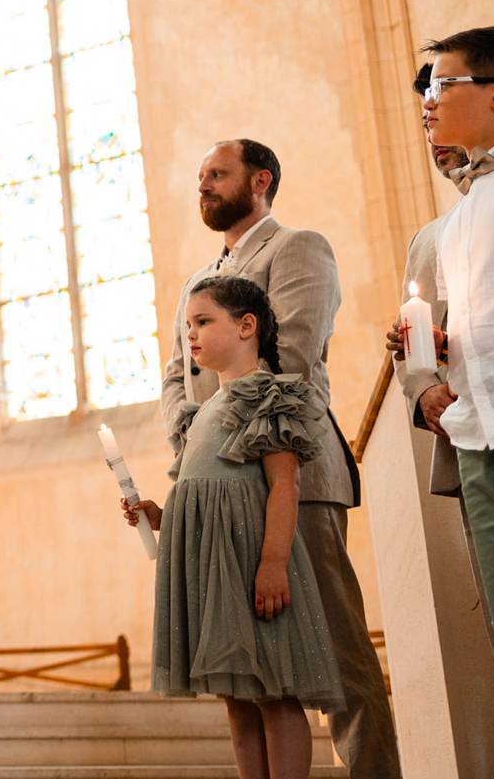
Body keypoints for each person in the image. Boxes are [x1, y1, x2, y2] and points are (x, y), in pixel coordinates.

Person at [160, 139, 397, 776]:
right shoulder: (197, 283)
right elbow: (175, 378)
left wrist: (230, 437)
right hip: (218, 493)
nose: (203, 185)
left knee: (338, 654)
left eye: (217, 173)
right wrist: (196, 451)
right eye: (200, 175)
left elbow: (289, 357)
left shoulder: (298, 248)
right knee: (247, 670)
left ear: (260, 180)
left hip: (293, 476)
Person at [127, 276, 343, 779]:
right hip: (212, 571)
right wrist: (160, 515)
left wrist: (272, 562)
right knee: (237, 698)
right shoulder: (199, 415)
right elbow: (199, 494)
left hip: (250, 564)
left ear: (247, 326)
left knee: (275, 692)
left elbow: (284, 486)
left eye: (203, 322)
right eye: (188, 326)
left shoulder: (266, 397)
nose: (191, 335)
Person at [383, 63, 494, 686]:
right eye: (424, 118)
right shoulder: (432, 238)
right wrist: (423, 377)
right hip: (468, 435)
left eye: (439, 103)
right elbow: (419, 345)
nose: (432, 132)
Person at [419, 26, 494, 646]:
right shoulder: (457, 222)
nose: (429, 99)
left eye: (443, 84)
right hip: (476, 437)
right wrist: (440, 350)